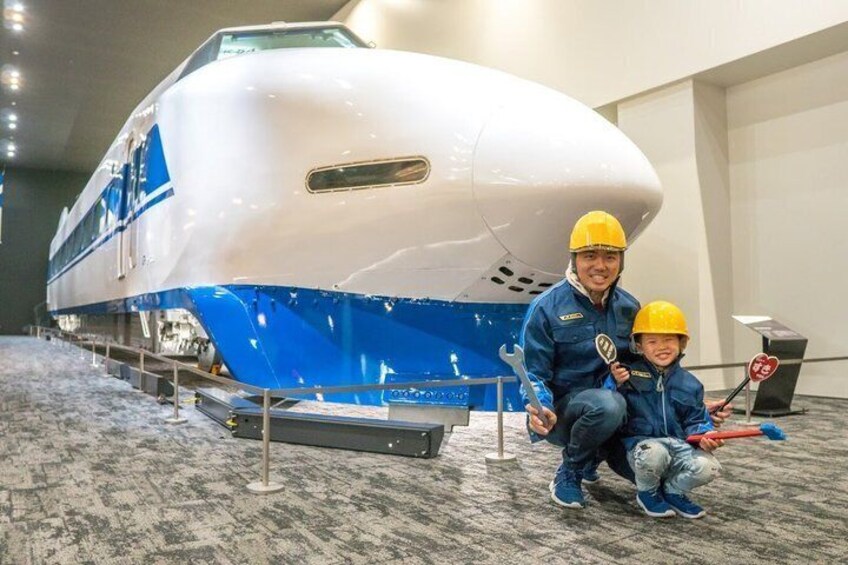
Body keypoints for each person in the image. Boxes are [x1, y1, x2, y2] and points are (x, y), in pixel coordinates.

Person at [519, 211, 732, 510]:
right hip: (565, 414)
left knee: (656, 475)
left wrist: (688, 403)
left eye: (610, 256)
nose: (600, 266)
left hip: (621, 410)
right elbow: (533, 374)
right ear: (574, 259)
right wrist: (540, 405)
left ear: (621, 260)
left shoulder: (629, 307)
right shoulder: (546, 307)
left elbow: (652, 366)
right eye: (590, 256)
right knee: (608, 404)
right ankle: (570, 470)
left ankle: (595, 453)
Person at [609, 301, 723, 519]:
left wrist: (705, 435)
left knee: (710, 467)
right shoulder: (626, 375)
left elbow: (696, 420)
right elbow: (608, 403)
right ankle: (648, 493)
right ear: (639, 346)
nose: (661, 347)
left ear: (682, 343)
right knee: (654, 453)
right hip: (639, 448)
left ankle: (673, 491)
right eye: (652, 341)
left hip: (678, 446)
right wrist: (613, 383)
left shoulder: (691, 384)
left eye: (669, 340)